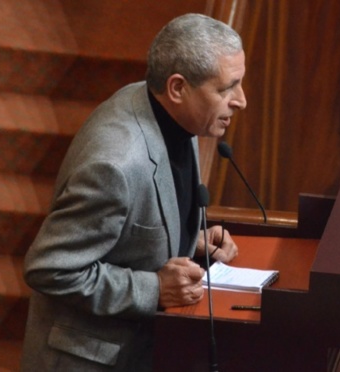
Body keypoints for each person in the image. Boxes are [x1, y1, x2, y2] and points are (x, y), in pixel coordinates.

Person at [20, 13, 247, 371]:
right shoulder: (115, 165)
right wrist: (154, 288)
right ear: (177, 88)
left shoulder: (172, 115)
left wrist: (189, 240)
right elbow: (50, 269)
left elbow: (130, 224)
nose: (241, 100)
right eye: (226, 89)